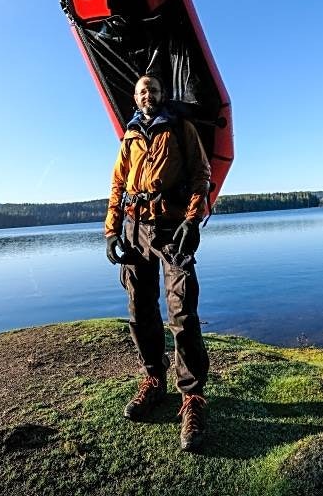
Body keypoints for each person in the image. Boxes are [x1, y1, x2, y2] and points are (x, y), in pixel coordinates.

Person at [104, 73, 211, 452]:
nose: (148, 93)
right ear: (135, 99)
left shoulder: (181, 127)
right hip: (134, 232)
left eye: (153, 89)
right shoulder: (129, 138)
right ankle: (153, 380)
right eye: (142, 90)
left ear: (162, 95)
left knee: (182, 313)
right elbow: (118, 185)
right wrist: (111, 230)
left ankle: (192, 397)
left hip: (172, 229)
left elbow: (201, 174)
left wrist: (192, 219)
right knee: (140, 311)